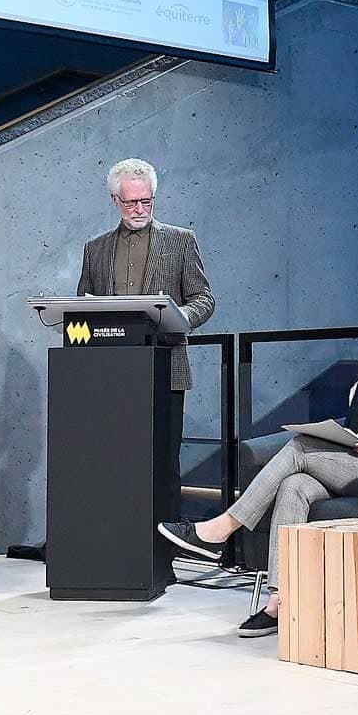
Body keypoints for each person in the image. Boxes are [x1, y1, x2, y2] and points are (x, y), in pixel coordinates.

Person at [158, 290, 358, 636]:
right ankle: (280, 603)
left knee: (301, 447)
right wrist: (348, 441)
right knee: (294, 486)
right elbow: (355, 429)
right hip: (357, 464)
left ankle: (221, 529)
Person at [76, 158, 214, 535]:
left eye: (146, 202)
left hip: (165, 367)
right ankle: (113, 538)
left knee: (163, 462)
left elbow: (204, 298)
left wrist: (181, 316)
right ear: (114, 200)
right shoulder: (95, 250)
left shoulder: (180, 241)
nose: (139, 210)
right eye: (130, 202)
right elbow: (81, 312)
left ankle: (166, 544)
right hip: (110, 373)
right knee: (112, 461)